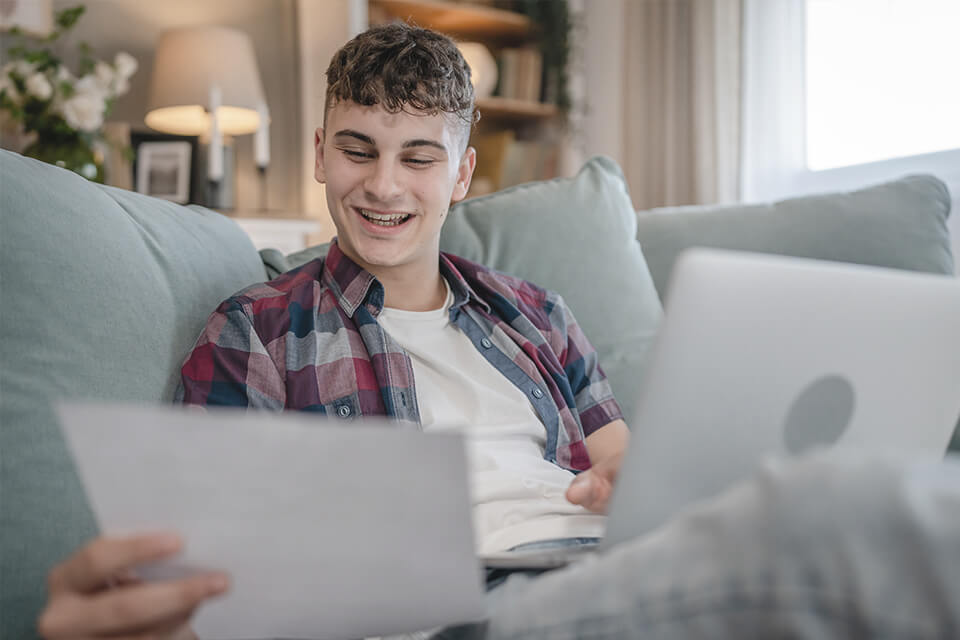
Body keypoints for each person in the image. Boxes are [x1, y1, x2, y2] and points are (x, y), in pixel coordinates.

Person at [37, 22, 960, 640]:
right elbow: (208, 570)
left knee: (863, 512)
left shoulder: (536, 314)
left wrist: (638, 488)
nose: (384, 187)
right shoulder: (258, 331)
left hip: (597, 577)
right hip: (452, 617)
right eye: (357, 149)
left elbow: (625, 468)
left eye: (418, 157)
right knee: (875, 518)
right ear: (321, 154)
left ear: (464, 172)